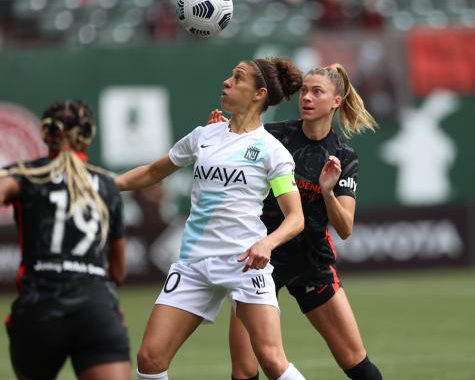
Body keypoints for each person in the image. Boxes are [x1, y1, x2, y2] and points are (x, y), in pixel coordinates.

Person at [115, 57, 307, 380]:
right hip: (194, 263)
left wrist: (267, 243)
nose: (226, 82)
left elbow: (296, 218)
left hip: (245, 263)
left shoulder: (271, 151)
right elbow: (151, 172)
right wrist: (107, 184)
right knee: (150, 359)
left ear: (259, 94)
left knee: (272, 361)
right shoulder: (204, 135)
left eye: (238, 78)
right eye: (229, 76)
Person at [210, 63, 383, 380]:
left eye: (317, 92)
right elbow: (231, 147)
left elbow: (344, 228)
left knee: (356, 362)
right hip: (260, 259)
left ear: (335, 101)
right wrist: (220, 134)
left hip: (311, 262)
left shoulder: (343, 156)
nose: (307, 97)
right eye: (304, 90)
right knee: (244, 370)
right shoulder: (274, 136)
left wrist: (328, 192)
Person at [0, 100, 130, 380]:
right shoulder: (106, 185)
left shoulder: (25, 174)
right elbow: (118, 272)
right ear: (89, 135)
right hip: (95, 309)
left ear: (46, 134)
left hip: (39, 309)